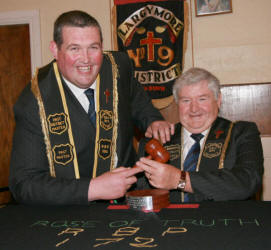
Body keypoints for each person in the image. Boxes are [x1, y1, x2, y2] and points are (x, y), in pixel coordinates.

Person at [9, 10, 174, 205]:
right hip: (69, 216)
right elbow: (24, 185)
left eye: (93, 47)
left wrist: (153, 119)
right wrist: (93, 189)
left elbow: (137, 99)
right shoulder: (33, 102)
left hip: (128, 205)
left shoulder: (119, 67)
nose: (86, 59)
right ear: (55, 50)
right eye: (74, 49)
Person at [136, 67, 264, 203]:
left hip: (225, 220)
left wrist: (180, 179)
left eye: (202, 99)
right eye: (186, 101)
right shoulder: (159, 139)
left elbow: (247, 182)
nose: (194, 109)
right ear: (177, 104)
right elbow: (141, 193)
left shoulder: (241, 132)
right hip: (169, 222)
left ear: (218, 100)